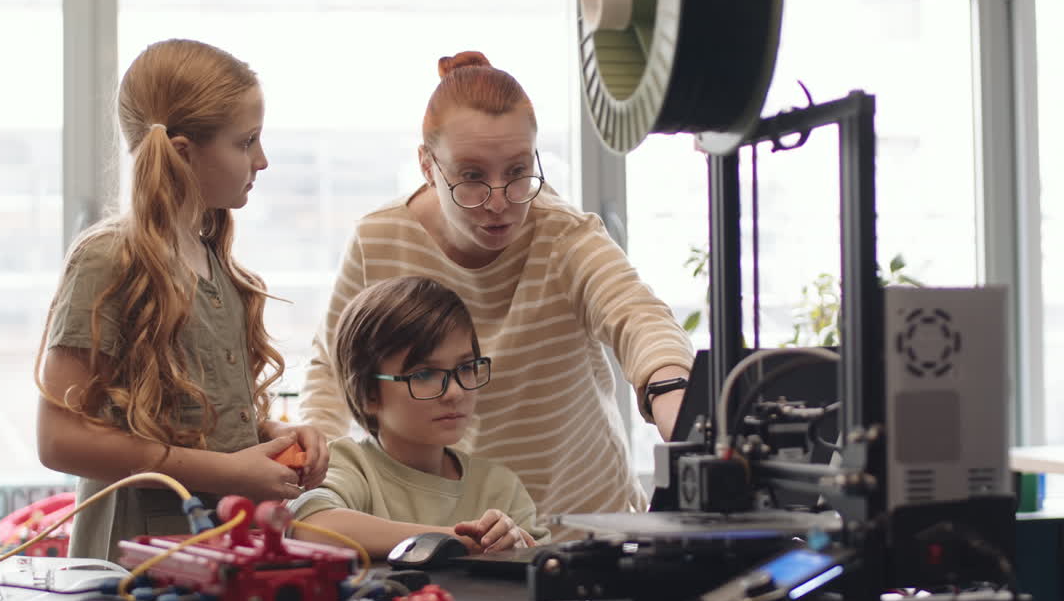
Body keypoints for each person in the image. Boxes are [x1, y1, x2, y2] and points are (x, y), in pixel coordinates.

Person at [300, 51, 692, 526]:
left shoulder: (565, 235)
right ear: (427, 165)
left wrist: (676, 403)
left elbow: (639, 318)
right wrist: (314, 466)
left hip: (582, 517)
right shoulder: (380, 238)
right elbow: (333, 368)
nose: (500, 201)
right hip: (465, 522)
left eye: (518, 171)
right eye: (472, 177)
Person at [34, 39, 329, 562]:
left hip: (219, 553)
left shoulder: (213, 259)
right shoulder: (109, 260)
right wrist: (228, 472)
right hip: (135, 563)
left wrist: (272, 435)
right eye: (246, 142)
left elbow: (196, 420)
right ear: (184, 152)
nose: (262, 160)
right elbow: (59, 440)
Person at [289, 276, 549, 558]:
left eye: (465, 368)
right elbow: (310, 526)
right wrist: (458, 541)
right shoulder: (350, 465)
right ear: (368, 393)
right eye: (424, 374)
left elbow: (546, 566)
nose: (455, 392)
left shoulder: (499, 487)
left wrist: (516, 550)